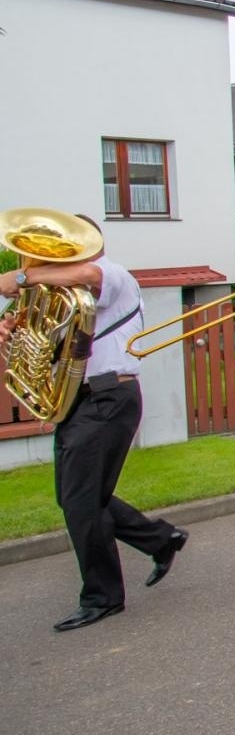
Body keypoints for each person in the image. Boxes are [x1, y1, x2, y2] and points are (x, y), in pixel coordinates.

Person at [0, 218, 186, 632]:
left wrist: (21, 277)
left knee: (82, 500)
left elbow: (86, 273)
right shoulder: (62, 296)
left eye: (60, 248)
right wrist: (15, 336)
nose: (50, 257)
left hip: (108, 398)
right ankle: (160, 539)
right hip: (80, 401)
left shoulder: (112, 276)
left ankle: (103, 597)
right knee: (76, 498)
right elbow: (52, 353)